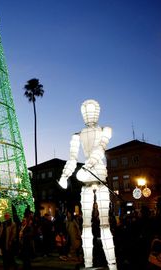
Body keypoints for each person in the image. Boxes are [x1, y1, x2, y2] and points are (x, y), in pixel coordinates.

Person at [58, 99, 116, 269]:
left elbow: (100, 148)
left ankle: (112, 265)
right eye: (86, 112)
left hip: (97, 177)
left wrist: (88, 165)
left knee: (105, 225)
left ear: (98, 112)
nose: (89, 115)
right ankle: (89, 264)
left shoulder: (106, 130)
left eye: (92, 111)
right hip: (86, 181)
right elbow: (72, 158)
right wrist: (64, 175)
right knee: (86, 225)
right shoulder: (77, 136)